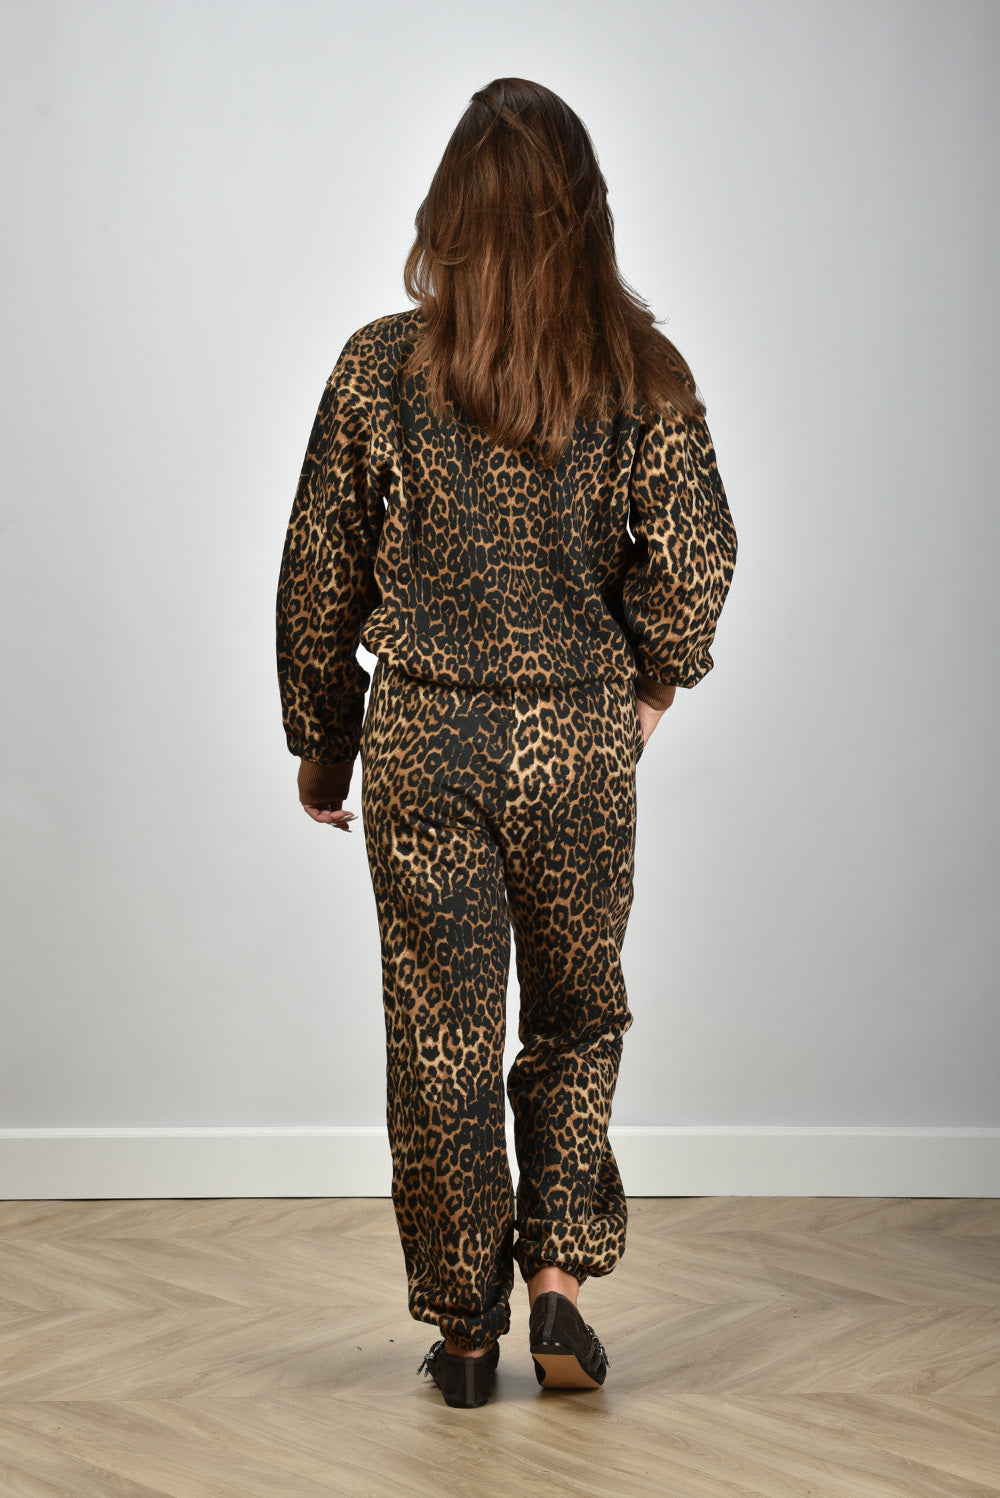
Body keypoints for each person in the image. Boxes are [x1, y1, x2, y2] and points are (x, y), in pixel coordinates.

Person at [275, 77, 738, 1409]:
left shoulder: (378, 367)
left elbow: (319, 572)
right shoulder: (641, 371)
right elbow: (698, 558)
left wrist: (325, 741)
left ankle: (465, 1330)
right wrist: (649, 688)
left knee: (442, 1037)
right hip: (576, 743)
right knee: (577, 1014)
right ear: (583, 214)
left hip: (426, 740)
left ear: (450, 214)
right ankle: (558, 1285)